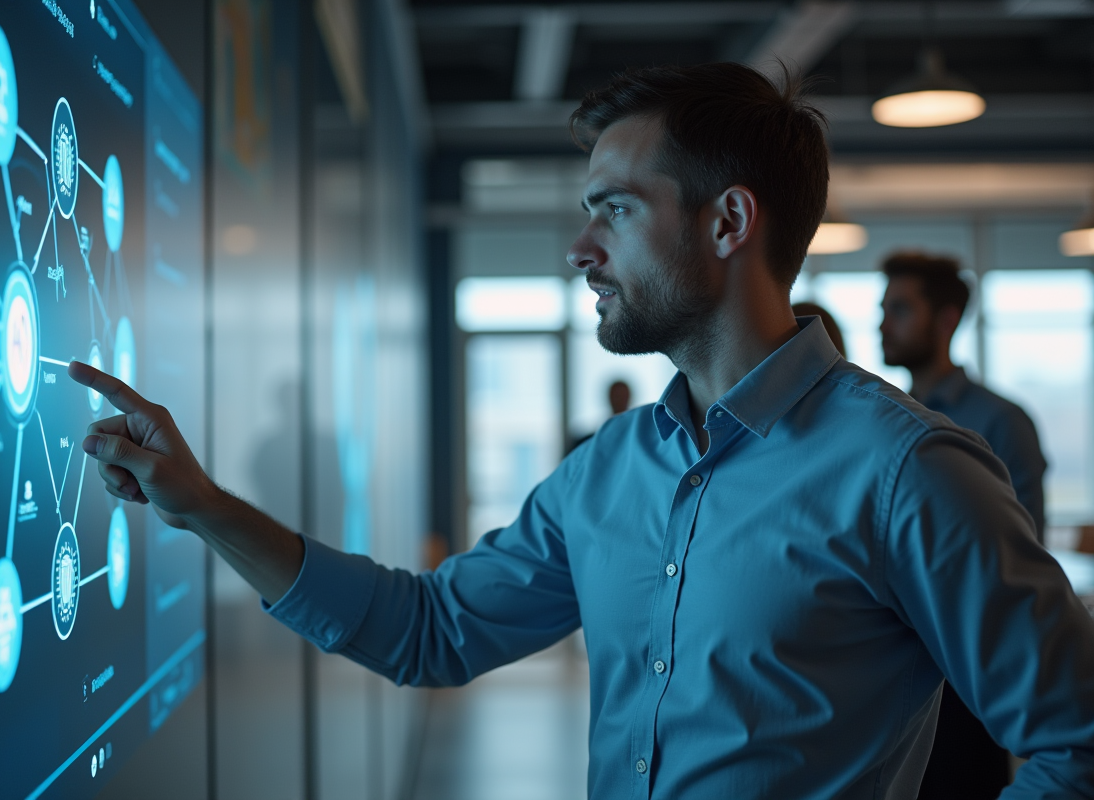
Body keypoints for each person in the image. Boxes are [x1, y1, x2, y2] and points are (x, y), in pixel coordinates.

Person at [69, 64, 1094, 798]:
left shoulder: (907, 469)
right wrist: (201, 509)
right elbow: (430, 630)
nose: (580, 246)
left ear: (728, 223)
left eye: (613, 210)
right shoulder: (607, 473)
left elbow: (1074, 742)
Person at [879, 251, 1050, 800]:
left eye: (900, 309)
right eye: (884, 309)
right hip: (890, 669)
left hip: (965, 674)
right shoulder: (883, 418)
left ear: (947, 319)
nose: (884, 323)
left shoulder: (1000, 421)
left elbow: (1020, 562)